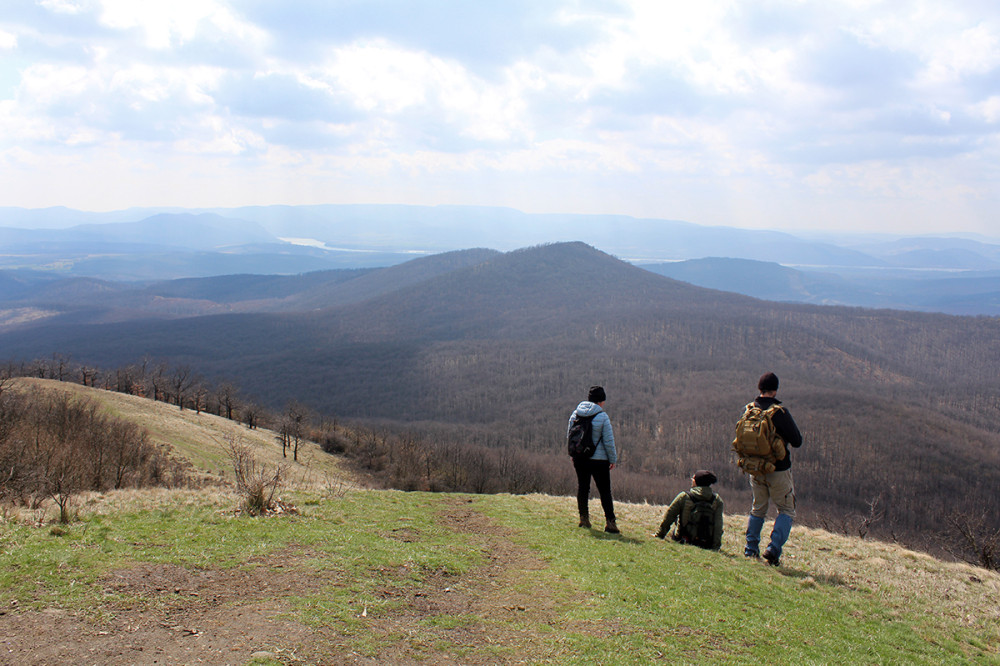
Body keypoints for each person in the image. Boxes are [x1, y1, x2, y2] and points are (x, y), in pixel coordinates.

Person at [743, 372, 803, 566]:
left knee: (758, 508)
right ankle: (773, 549)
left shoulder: (749, 409)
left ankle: (751, 549)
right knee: (786, 509)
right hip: (778, 470)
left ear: (759, 388)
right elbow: (797, 441)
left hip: (755, 468)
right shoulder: (779, 412)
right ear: (775, 390)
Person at [568, 385, 619, 533]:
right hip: (599, 461)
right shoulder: (602, 417)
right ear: (601, 401)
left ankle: (584, 519)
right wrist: (612, 459)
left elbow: (570, 436)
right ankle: (610, 523)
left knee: (583, 488)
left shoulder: (575, 414)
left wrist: (573, 454)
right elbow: (609, 441)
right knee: (604, 491)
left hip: (580, 458)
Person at [654, 470, 724, 550]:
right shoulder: (717, 500)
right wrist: (715, 547)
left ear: (697, 482)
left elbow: (669, 516)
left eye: (693, 478)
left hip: (683, 540)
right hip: (706, 545)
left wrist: (659, 535)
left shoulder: (684, 496)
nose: (691, 480)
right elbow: (718, 526)